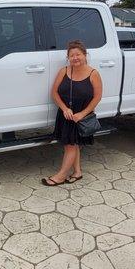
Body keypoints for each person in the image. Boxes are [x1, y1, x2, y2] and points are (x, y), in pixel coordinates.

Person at [42, 40, 103, 186]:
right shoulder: (64, 71)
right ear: (68, 57)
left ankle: (61, 176)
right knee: (71, 144)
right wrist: (64, 108)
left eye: (78, 54)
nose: (75, 58)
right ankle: (77, 172)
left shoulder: (93, 73)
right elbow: (54, 93)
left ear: (85, 55)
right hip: (66, 114)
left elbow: (97, 97)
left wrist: (83, 113)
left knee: (71, 145)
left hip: (81, 116)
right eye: (72, 55)